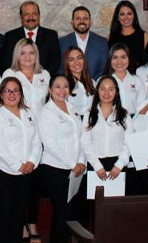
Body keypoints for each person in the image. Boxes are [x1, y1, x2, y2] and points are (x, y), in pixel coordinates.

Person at [0, 77, 42, 243]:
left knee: (18, 214)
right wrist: (18, 165)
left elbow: (37, 140)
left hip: (26, 171)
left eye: (15, 90)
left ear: (21, 93)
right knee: (4, 215)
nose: (12, 94)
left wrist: (32, 161)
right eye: (7, 91)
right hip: (3, 172)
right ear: (1, 94)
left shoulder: (28, 113)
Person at [38, 75, 86, 243]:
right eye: (57, 86)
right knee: (62, 211)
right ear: (50, 89)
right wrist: (73, 164)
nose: (62, 90)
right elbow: (51, 145)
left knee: (73, 211)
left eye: (65, 86)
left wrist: (81, 161)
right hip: (55, 169)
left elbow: (81, 137)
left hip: (76, 168)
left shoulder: (72, 109)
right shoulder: (46, 112)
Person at [81, 77, 132, 190]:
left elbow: (128, 143)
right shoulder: (89, 115)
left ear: (116, 92)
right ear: (97, 91)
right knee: (95, 205)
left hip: (118, 165)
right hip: (95, 164)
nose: (106, 93)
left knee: (116, 205)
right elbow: (85, 142)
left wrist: (119, 165)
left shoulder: (124, 115)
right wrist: (97, 166)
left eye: (111, 89)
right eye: (103, 89)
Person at [1, 0, 61, 75]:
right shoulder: (10, 37)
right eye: (26, 14)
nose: (31, 17)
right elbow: (6, 62)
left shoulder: (51, 35)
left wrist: (42, 78)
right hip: (18, 81)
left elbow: (55, 61)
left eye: (34, 13)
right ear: (21, 17)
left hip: (43, 82)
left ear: (39, 15)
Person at [2, 38, 51, 113]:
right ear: (17, 56)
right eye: (22, 53)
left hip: (42, 121)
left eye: (31, 53)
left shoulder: (45, 74)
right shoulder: (9, 74)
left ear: (36, 55)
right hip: (19, 121)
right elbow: (5, 101)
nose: (27, 57)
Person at [59, 6, 109, 76]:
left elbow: (103, 69)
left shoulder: (102, 42)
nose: (82, 21)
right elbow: (60, 68)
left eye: (85, 18)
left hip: (94, 85)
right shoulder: (61, 42)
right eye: (78, 18)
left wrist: (91, 84)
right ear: (72, 22)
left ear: (90, 21)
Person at [106, 0, 148, 74]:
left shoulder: (144, 36)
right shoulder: (110, 37)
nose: (126, 17)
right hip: (116, 79)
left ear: (134, 16)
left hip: (138, 79)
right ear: (118, 17)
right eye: (122, 14)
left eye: (129, 14)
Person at [106, 43, 143, 115]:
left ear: (129, 58)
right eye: (115, 57)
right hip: (111, 122)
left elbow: (141, 106)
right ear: (110, 60)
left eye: (123, 57)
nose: (119, 61)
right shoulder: (103, 81)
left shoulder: (137, 80)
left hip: (134, 122)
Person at [62, 46, 97, 117]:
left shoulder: (92, 82)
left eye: (79, 58)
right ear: (67, 63)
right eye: (71, 60)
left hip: (91, 124)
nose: (77, 62)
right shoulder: (63, 84)